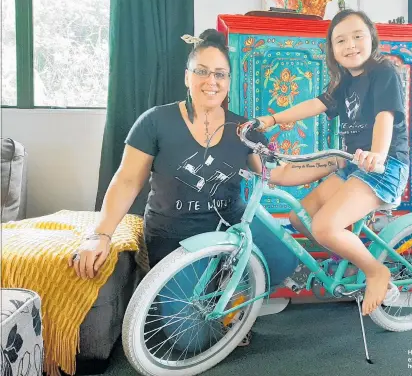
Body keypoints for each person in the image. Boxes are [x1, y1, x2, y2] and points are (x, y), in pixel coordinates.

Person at [68, 29, 348, 346]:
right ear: (187, 76)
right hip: (175, 234)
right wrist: (100, 234)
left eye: (219, 74)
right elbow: (127, 180)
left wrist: (337, 162)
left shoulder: (244, 128)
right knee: (190, 341)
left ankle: (230, 302)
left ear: (228, 82)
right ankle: (211, 296)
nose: (210, 81)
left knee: (285, 256)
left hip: (232, 224)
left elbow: (280, 172)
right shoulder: (154, 122)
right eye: (201, 71)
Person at [257, 9, 410, 316]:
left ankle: (376, 271)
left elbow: (384, 118)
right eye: (340, 40)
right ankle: (349, 257)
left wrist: (378, 154)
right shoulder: (343, 83)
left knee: (325, 227)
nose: (350, 44)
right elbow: (316, 104)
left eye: (357, 36)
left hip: (384, 166)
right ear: (332, 50)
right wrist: (271, 119)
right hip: (353, 164)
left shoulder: (384, 72)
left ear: (372, 39)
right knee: (301, 217)